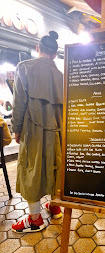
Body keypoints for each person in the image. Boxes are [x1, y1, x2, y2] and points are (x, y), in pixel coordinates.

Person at [11, 31, 63, 233]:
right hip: (57, 132)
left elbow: (19, 104)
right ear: (55, 55)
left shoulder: (24, 68)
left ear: (38, 48)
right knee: (55, 165)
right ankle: (55, 206)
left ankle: (35, 219)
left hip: (33, 129)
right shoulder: (62, 75)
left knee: (31, 168)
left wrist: (16, 129)